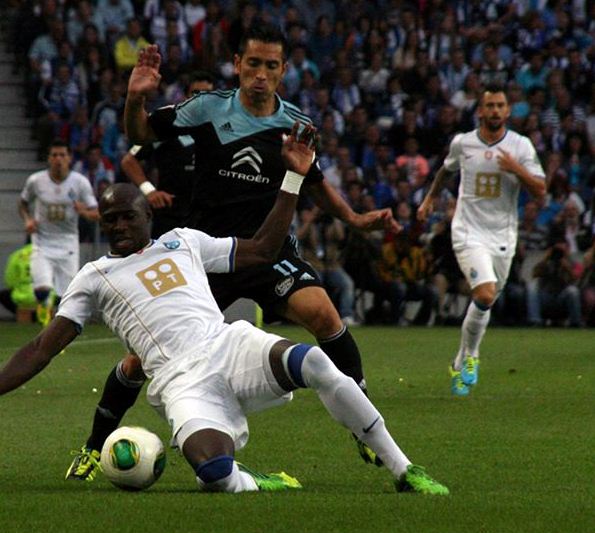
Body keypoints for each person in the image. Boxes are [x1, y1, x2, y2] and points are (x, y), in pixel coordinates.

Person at [0, 129, 448, 497]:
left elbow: (263, 249)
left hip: (227, 345)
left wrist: (293, 180)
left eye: (126, 216)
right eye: (109, 219)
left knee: (313, 361)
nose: (117, 225)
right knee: (214, 474)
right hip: (180, 381)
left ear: (146, 217)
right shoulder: (93, 276)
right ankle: (254, 481)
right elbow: (41, 348)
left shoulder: (183, 240)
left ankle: (403, 469)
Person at [67, 24, 398, 480]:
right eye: (253, 64)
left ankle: (363, 422)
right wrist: (134, 98)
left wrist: (356, 219)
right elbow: (139, 132)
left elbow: (315, 184)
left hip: (267, 251)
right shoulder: (207, 108)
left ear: (283, 71)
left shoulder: (296, 124)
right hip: (208, 256)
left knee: (323, 313)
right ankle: (92, 445)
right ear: (238, 65)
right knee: (140, 361)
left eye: (271, 66)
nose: (260, 74)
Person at [417, 85, 546, 395]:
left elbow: (540, 189)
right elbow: (445, 172)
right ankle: (473, 356)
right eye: (490, 106)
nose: (495, 111)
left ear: (508, 111)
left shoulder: (521, 146)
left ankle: (460, 359)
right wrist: (430, 199)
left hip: (503, 235)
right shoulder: (463, 143)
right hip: (468, 231)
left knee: (485, 302)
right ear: (480, 111)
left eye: (501, 106)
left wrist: (516, 169)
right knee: (485, 295)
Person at [120, 71, 215, 237]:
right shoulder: (168, 127)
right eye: (196, 93)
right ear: (186, 97)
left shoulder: (223, 132)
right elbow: (129, 161)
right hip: (170, 218)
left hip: (207, 219)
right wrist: (149, 190)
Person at [18, 140, 99, 326]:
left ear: (69, 158)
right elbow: (22, 203)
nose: (58, 159)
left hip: (68, 242)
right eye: (54, 155)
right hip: (42, 241)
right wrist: (28, 220)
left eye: (62, 155)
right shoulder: (36, 181)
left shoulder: (80, 182)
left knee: (65, 296)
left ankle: (56, 329)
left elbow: (97, 213)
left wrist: (84, 212)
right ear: (49, 158)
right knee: (42, 289)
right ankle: (43, 308)